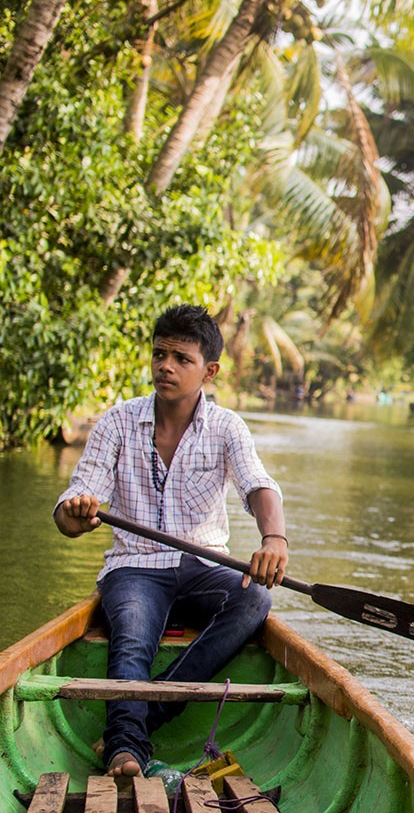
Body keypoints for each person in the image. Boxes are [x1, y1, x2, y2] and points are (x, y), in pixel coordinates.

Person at [52, 304, 289, 779]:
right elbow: (71, 509)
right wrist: (75, 513)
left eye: (182, 359)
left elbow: (258, 485)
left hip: (202, 568)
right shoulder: (117, 422)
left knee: (254, 599)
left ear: (209, 371)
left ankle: (141, 718)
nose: (166, 366)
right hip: (133, 567)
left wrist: (274, 538)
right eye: (160, 354)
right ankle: (125, 749)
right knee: (132, 637)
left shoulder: (226, 427)